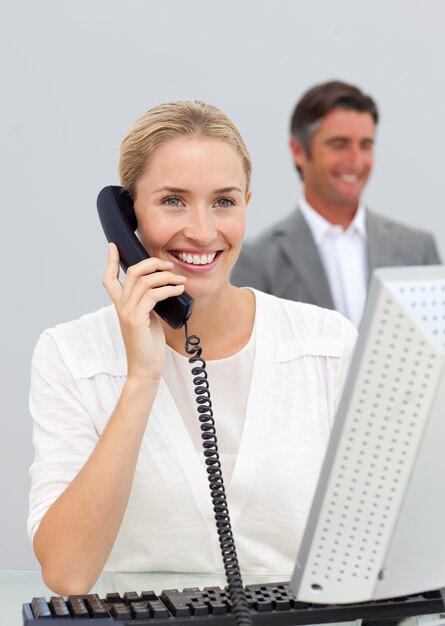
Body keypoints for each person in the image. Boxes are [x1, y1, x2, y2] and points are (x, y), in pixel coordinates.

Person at [28, 100, 357, 596]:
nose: (203, 231)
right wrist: (141, 377)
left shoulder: (326, 345)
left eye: (224, 202)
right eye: (172, 201)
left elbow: (385, 547)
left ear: (247, 202)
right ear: (126, 217)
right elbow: (68, 573)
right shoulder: (71, 356)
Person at [231, 81, 441, 328]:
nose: (356, 161)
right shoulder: (258, 260)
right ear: (298, 151)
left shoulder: (418, 250)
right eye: (339, 145)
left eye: (366, 145)